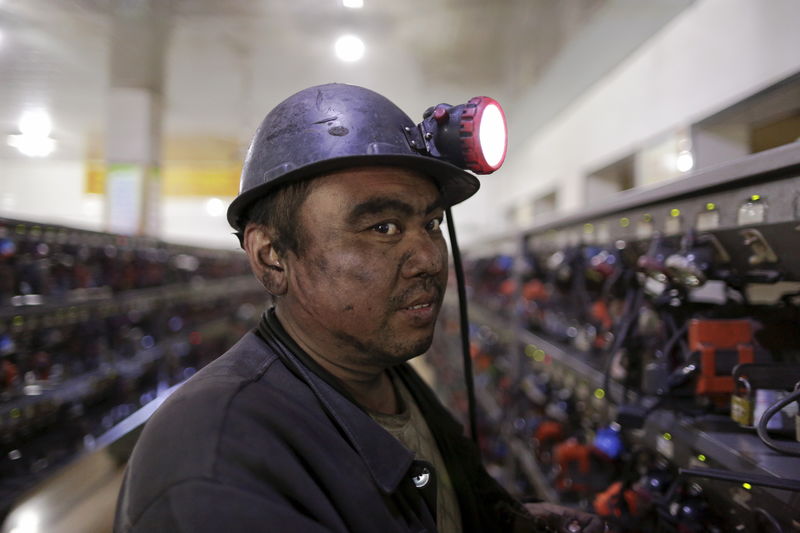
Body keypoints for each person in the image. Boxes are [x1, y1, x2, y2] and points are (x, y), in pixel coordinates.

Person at [113, 83, 604, 533]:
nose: (429, 259)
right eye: (383, 227)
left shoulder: (384, 374)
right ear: (271, 257)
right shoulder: (212, 463)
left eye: (432, 224)